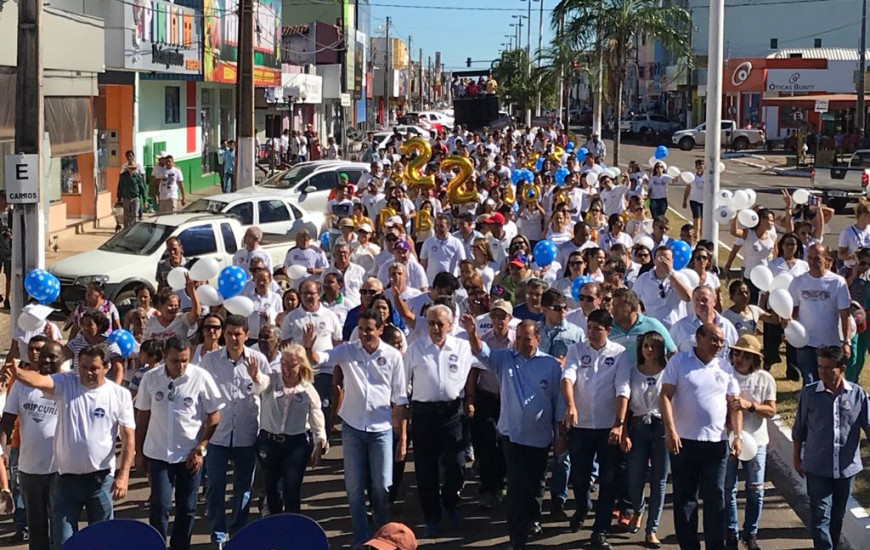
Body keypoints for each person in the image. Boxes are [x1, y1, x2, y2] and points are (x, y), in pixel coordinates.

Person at [302, 311, 409, 548]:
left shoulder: (392, 356)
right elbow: (320, 358)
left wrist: (402, 437)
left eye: (369, 329)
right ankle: (361, 537)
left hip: (381, 429)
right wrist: (309, 348)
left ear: (380, 329)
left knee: (382, 485)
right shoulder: (348, 350)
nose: (364, 334)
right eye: (360, 329)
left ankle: (383, 536)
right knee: (354, 487)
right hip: (353, 427)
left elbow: (401, 399)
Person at [11, 345, 135, 546]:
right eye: (83, 367)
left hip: (100, 480)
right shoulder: (66, 383)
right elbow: (40, 380)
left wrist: (124, 475)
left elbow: (129, 437)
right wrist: (17, 372)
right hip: (66, 482)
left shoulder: (119, 395)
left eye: (94, 368)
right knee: (64, 541)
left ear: (106, 367)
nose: (88, 373)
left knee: (102, 541)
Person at [462, 316, 562, 550]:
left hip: (540, 436)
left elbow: (558, 402)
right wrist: (472, 333)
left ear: (537, 339)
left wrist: (561, 434)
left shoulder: (550, 365)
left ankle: (533, 518)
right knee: (516, 486)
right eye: (518, 339)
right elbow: (481, 351)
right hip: (512, 436)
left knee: (536, 482)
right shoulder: (505, 359)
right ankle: (517, 537)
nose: (522, 344)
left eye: (527, 339)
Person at [660, 324, 743, 550]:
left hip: (717, 444)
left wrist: (737, 436)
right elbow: (665, 396)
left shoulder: (725, 367)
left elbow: (735, 405)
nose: (719, 345)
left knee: (715, 497)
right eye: (714, 340)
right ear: (699, 337)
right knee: (685, 499)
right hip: (684, 442)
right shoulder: (679, 362)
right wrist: (670, 430)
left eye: (721, 341)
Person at [134, 337, 222, 550]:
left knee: (187, 508)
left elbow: (214, 416)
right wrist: (139, 452)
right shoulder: (151, 378)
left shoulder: (200, 377)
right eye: (175, 361)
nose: (180, 366)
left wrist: (201, 447)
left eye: (184, 360)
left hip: (189, 456)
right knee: (160, 506)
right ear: (164, 357)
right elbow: (143, 416)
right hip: (158, 454)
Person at [561, 309, 631, 549]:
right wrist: (570, 405)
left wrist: (619, 424)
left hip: (606, 427)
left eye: (597, 329)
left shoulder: (619, 353)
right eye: (589, 327)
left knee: (608, 480)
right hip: (581, 426)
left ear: (608, 330)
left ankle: (600, 530)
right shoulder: (576, 350)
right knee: (579, 477)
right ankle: (582, 507)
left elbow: (623, 389)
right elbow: (568, 377)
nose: (591, 333)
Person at [199, 316, 271, 549]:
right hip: (218, 435)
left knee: (243, 489)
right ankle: (218, 535)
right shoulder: (210, 360)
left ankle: (237, 532)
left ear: (246, 335)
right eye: (229, 333)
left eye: (238, 334)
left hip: (247, 435)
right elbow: (201, 394)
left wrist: (256, 377)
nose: (233, 338)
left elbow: (267, 393)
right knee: (215, 487)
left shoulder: (258, 360)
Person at [403, 305, 474, 535]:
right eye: (431, 323)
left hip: (453, 412)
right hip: (424, 413)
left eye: (440, 324)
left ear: (450, 326)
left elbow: (481, 363)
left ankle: (451, 503)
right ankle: (431, 516)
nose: (435, 328)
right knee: (426, 469)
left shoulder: (462, 347)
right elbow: (402, 383)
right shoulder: (415, 349)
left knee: (457, 463)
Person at [792, 346, 870, 550]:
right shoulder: (810, 394)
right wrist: (797, 458)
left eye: (828, 368)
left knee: (837, 517)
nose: (822, 372)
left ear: (841, 368)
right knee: (820, 515)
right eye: (820, 367)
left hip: (846, 469)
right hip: (817, 467)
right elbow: (799, 429)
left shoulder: (857, 395)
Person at [1, 341, 64, 550]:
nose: (46, 359)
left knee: (60, 525)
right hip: (29, 469)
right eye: (43, 355)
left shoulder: (68, 384)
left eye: (52, 356)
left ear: (62, 359)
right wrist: (2, 450)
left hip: (60, 468)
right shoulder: (21, 385)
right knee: (36, 526)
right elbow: (7, 420)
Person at [257, 343, 327, 514]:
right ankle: (273, 522)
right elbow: (260, 383)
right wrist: (255, 376)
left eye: (292, 364)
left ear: (301, 366)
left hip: (295, 444)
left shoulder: (307, 389)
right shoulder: (272, 380)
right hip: (269, 442)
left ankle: (292, 525)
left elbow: (316, 416)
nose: (286, 369)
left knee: (292, 489)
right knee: (272, 489)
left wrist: (320, 441)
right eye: (283, 363)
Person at [724, 335, 777, 550]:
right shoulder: (725, 375)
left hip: (756, 441)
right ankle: (731, 532)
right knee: (728, 488)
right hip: (728, 439)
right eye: (737, 353)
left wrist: (751, 406)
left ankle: (751, 532)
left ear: (755, 359)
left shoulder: (765, 379)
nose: (740, 359)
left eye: (746, 356)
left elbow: (771, 410)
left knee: (755, 488)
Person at [464, 299, 513, 510]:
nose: (498, 320)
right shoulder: (483, 340)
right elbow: (474, 370)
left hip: (508, 399)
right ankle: (487, 488)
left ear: (509, 318)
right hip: (486, 397)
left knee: (505, 443)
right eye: (494, 315)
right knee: (486, 443)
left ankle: (502, 484)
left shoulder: (515, 341)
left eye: (502, 316)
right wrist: (470, 398)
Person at [622, 331, 669, 548]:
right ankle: (638, 508)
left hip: (661, 428)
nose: (649, 350)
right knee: (634, 477)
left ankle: (652, 529)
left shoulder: (668, 373)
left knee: (659, 481)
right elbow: (624, 404)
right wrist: (623, 431)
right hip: (638, 427)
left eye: (653, 346)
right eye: (646, 346)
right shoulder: (632, 373)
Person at [281, 279, 342, 425]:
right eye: (304, 293)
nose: (308, 297)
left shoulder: (330, 315)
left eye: (312, 293)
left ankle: (324, 435)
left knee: (322, 405)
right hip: (300, 371)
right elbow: (285, 345)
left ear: (319, 294)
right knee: (301, 407)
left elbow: (338, 343)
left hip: (324, 370)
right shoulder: (292, 317)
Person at [788, 244, 852, 384]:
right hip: (806, 342)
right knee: (809, 381)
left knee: (829, 381)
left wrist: (846, 341)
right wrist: (789, 329)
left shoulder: (837, 282)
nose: (812, 262)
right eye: (810, 258)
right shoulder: (798, 281)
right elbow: (792, 310)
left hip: (830, 343)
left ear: (826, 259)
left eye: (817, 258)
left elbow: (844, 314)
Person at [609, 288, 677, 365]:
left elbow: (673, 353)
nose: (614, 310)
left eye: (619, 306)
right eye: (613, 306)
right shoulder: (607, 329)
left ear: (633, 308)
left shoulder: (653, 325)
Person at [669, 286, 739, 356]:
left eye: (704, 300)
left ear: (714, 301)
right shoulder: (680, 327)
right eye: (697, 300)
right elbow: (669, 354)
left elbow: (736, 353)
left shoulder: (727, 327)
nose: (700, 303)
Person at [420, 215, 467, 283]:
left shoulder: (456, 243)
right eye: (437, 225)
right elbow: (423, 263)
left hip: (450, 283)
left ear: (448, 227)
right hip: (431, 283)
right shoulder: (428, 242)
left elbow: (462, 262)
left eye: (441, 226)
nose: (438, 228)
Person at [117, 160, 146, 228]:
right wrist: (119, 197)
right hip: (126, 197)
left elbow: (142, 188)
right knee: (126, 215)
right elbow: (120, 187)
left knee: (135, 214)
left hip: (135, 198)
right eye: (131, 168)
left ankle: (133, 229)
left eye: (134, 168)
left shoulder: (138, 177)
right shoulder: (123, 176)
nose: (132, 170)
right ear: (128, 168)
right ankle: (126, 229)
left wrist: (145, 199)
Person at [682, 159, 705, 235]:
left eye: (701, 165)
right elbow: (688, 189)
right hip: (694, 200)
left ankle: (701, 236)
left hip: (704, 201)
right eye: (698, 166)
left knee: (703, 221)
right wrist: (684, 201)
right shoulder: (692, 177)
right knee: (697, 220)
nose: (700, 167)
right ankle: (696, 236)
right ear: (695, 167)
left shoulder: (707, 177)